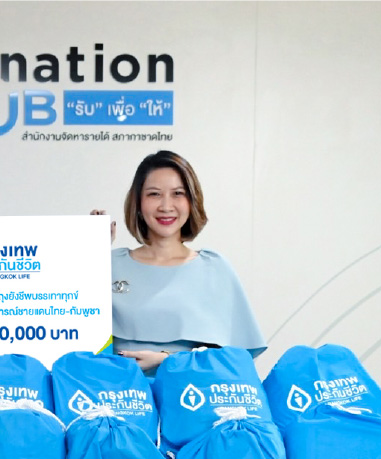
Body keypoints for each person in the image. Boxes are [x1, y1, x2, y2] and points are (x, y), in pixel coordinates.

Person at [94, 150, 265, 375]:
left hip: (188, 392)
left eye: (178, 193)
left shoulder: (213, 268)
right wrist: (91, 255)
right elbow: (66, 319)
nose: (166, 206)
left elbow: (235, 359)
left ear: (192, 201)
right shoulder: (109, 263)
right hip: (116, 390)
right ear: (138, 202)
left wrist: (167, 360)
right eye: (154, 194)